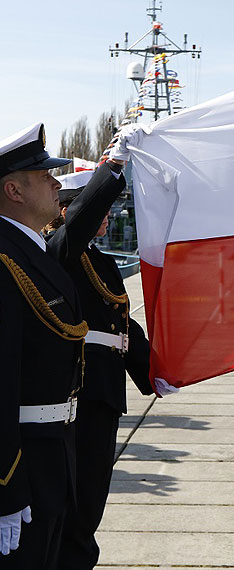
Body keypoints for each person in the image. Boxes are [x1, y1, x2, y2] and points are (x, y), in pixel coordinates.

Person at [47, 125, 177, 570]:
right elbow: (78, 227)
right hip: (74, 396)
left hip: (102, 398)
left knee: (89, 505)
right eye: (97, 209)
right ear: (65, 210)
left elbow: (122, 326)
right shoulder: (56, 250)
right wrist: (114, 167)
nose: (106, 217)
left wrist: (157, 371)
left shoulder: (100, 262)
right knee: (68, 512)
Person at [0, 123, 87, 569]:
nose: (57, 183)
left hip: (55, 450)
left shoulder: (28, 252)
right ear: (14, 190)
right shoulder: (4, 260)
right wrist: (5, 487)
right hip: (22, 465)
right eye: (45, 176)